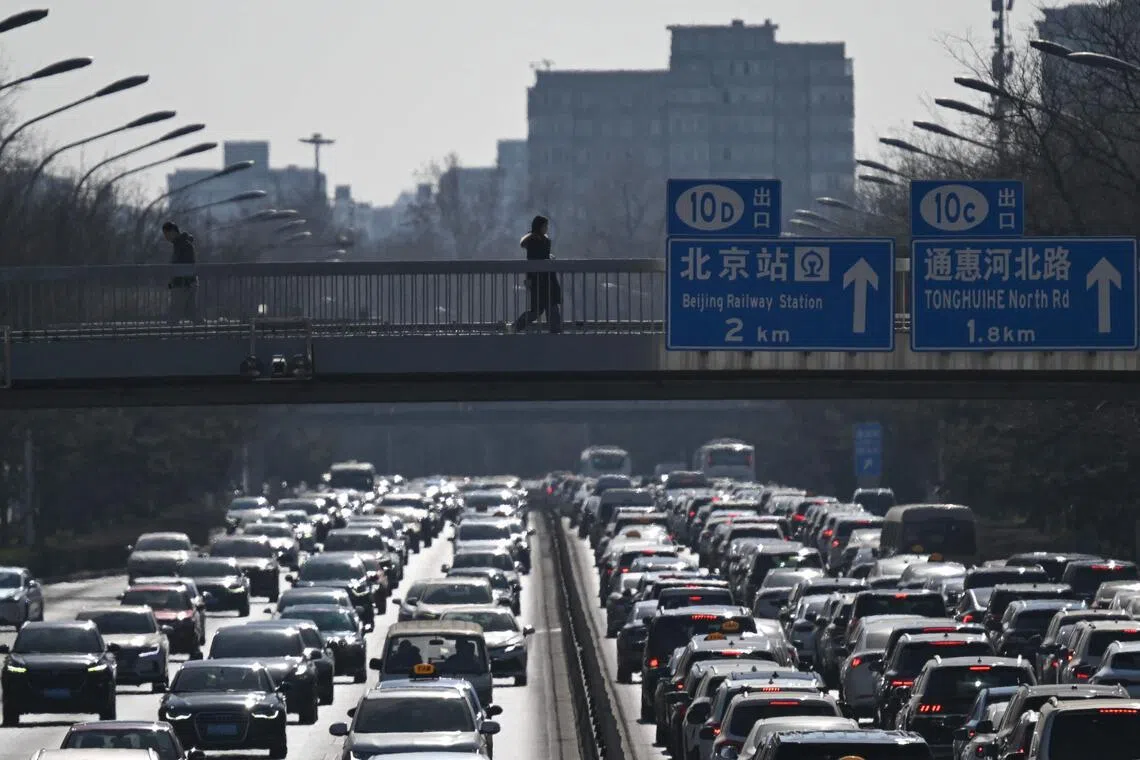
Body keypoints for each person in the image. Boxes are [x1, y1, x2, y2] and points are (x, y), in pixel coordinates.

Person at [512, 215, 562, 333]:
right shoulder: (535, 241)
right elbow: (533, 261)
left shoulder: (542, 241)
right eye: (545, 226)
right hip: (540, 280)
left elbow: (538, 258)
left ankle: (515, 327)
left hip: (545, 280)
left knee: (546, 307)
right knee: (542, 308)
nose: (546, 228)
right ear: (539, 227)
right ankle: (555, 331)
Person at [163, 221, 199, 323]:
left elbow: (184, 266)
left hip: (183, 284)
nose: (166, 237)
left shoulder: (182, 245)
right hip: (187, 283)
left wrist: (177, 283)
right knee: (191, 313)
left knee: (174, 314)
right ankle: (206, 333)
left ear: (173, 232)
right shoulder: (181, 244)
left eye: (167, 234)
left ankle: (170, 336)